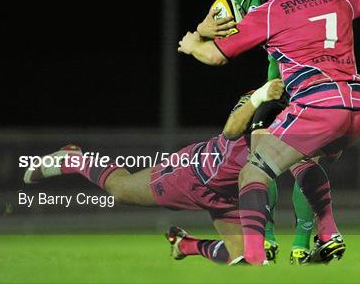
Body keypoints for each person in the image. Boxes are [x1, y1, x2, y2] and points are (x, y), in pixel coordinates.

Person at [177, 0, 360, 265]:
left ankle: (257, 255)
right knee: (301, 162)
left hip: (318, 106)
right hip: (357, 108)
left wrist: (193, 45)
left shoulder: (271, 10)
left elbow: (216, 56)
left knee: (253, 172)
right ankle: (327, 234)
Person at [23, 80, 287, 265]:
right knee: (121, 190)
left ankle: (185, 245)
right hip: (193, 174)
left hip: (228, 194)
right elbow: (231, 129)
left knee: (239, 258)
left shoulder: (308, 107)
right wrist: (259, 96)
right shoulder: (267, 93)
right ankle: (75, 160)